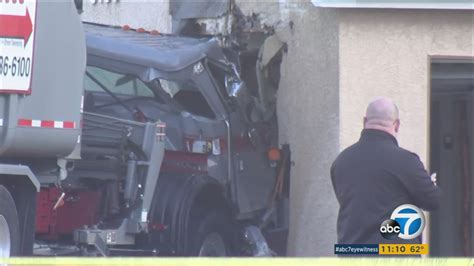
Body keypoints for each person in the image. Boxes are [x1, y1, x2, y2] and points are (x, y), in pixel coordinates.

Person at [331, 97, 440, 245]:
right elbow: (433, 201)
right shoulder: (406, 161)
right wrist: (431, 184)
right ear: (397, 125)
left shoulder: (341, 161)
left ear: (364, 121)